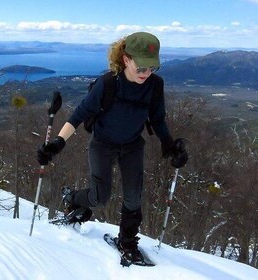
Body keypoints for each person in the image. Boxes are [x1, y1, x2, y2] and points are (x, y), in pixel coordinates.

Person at [37, 32, 188, 264]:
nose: (146, 74)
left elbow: (157, 119)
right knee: (99, 198)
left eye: (152, 68)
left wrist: (170, 146)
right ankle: (74, 199)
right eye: (141, 68)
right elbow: (79, 116)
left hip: (132, 145)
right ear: (126, 59)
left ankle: (127, 242)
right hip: (103, 144)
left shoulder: (155, 86)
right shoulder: (107, 84)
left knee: (133, 198)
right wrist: (57, 144)